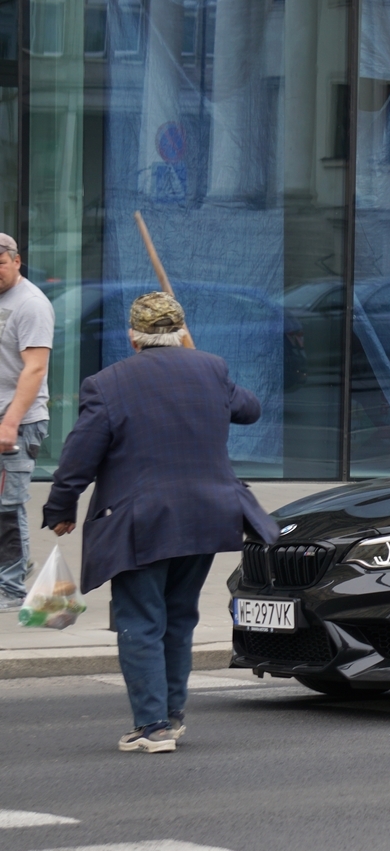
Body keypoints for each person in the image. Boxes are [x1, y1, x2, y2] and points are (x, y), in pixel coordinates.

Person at [43, 291, 279, 753]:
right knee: (178, 618)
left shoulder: (108, 383)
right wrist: (202, 362)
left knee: (140, 620)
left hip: (143, 521)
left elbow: (78, 457)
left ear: (133, 337)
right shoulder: (210, 368)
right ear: (180, 332)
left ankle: (152, 727)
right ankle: (171, 715)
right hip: (206, 517)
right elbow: (250, 409)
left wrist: (60, 509)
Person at [0, 233, 54, 612]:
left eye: (0, 263)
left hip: (18, 419)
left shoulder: (31, 304)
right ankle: (14, 567)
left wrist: (10, 423)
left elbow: (35, 368)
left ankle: (11, 588)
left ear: (17, 261)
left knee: (8, 504)